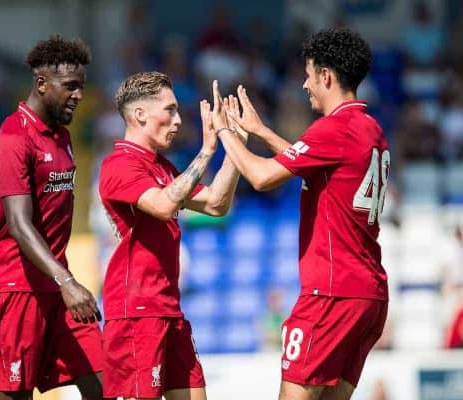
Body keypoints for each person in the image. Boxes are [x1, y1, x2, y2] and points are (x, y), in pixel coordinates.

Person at [215, 28, 389, 400]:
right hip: (368, 294)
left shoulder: (333, 129)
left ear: (326, 76)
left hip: (330, 293)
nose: (305, 85)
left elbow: (262, 177)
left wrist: (224, 133)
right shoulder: (370, 128)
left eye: (308, 75)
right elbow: (316, 164)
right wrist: (261, 131)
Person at [98, 72, 243, 400]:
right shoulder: (118, 165)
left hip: (168, 309)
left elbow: (217, 205)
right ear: (140, 115)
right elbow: (164, 205)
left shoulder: (161, 167)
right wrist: (206, 151)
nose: (178, 120)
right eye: (171, 110)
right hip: (136, 312)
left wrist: (234, 145)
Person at [0, 35, 105, 400]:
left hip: (56, 286)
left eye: (81, 86)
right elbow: (19, 224)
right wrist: (67, 281)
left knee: (105, 385)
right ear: (41, 84)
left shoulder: (61, 136)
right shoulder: (12, 139)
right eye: (70, 87)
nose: (79, 95)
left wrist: (63, 283)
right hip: (17, 289)